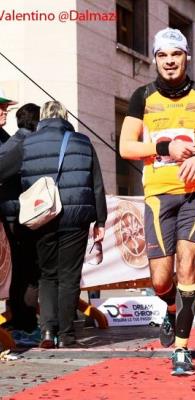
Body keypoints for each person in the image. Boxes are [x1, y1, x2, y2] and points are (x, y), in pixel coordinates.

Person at [119, 27, 195, 376]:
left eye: (176, 54)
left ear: (186, 57)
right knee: (160, 279)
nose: (169, 62)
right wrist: (164, 147)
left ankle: (182, 349)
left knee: (187, 266)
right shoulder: (143, 96)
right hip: (157, 194)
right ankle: (170, 308)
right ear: (155, 59)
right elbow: (126, 147)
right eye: (163, 55)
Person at [1, 101, 107, 348]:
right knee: (69, 276)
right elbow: (97, 184)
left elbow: (2, 171)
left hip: (42, 216)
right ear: (65, 117)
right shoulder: (83, 142)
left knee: (47, 275)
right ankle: (67, 335)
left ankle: (48, 331)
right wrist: (100, 220)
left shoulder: (27, 143)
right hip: (76, 216)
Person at [0, 103, 41, 341]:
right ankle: (25, 322)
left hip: (15, 211)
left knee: (20, 271)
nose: (4, 111)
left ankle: (20, 319)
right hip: (18, 212)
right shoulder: (20, 143)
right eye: (0, 108)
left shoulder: (10, 139)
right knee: (27, 271)